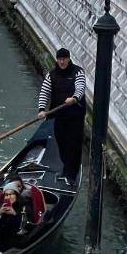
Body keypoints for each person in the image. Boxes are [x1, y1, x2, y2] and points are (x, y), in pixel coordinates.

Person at [37, 47, 86, 184]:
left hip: (75, 115)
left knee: (73, 144)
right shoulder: (51, 74)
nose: (62, 61)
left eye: (64, 59)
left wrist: (74, 98)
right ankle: (65, 169)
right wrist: (41, 109)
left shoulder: (78, 72)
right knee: (61, 143)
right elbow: (44, 92)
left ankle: (71, 175)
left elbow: (80, 88)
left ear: (69, 59)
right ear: (57, 60)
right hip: (57, 115)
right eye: (60, 59)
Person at [0, 184, 24, 250]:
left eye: (12, 194)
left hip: (18, 240)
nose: (9, 197)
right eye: (6, 195)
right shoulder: (0, 206)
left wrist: (14, 214)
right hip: (2, 239)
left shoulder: (23, 206)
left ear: (16, 195)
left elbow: (24, 226)